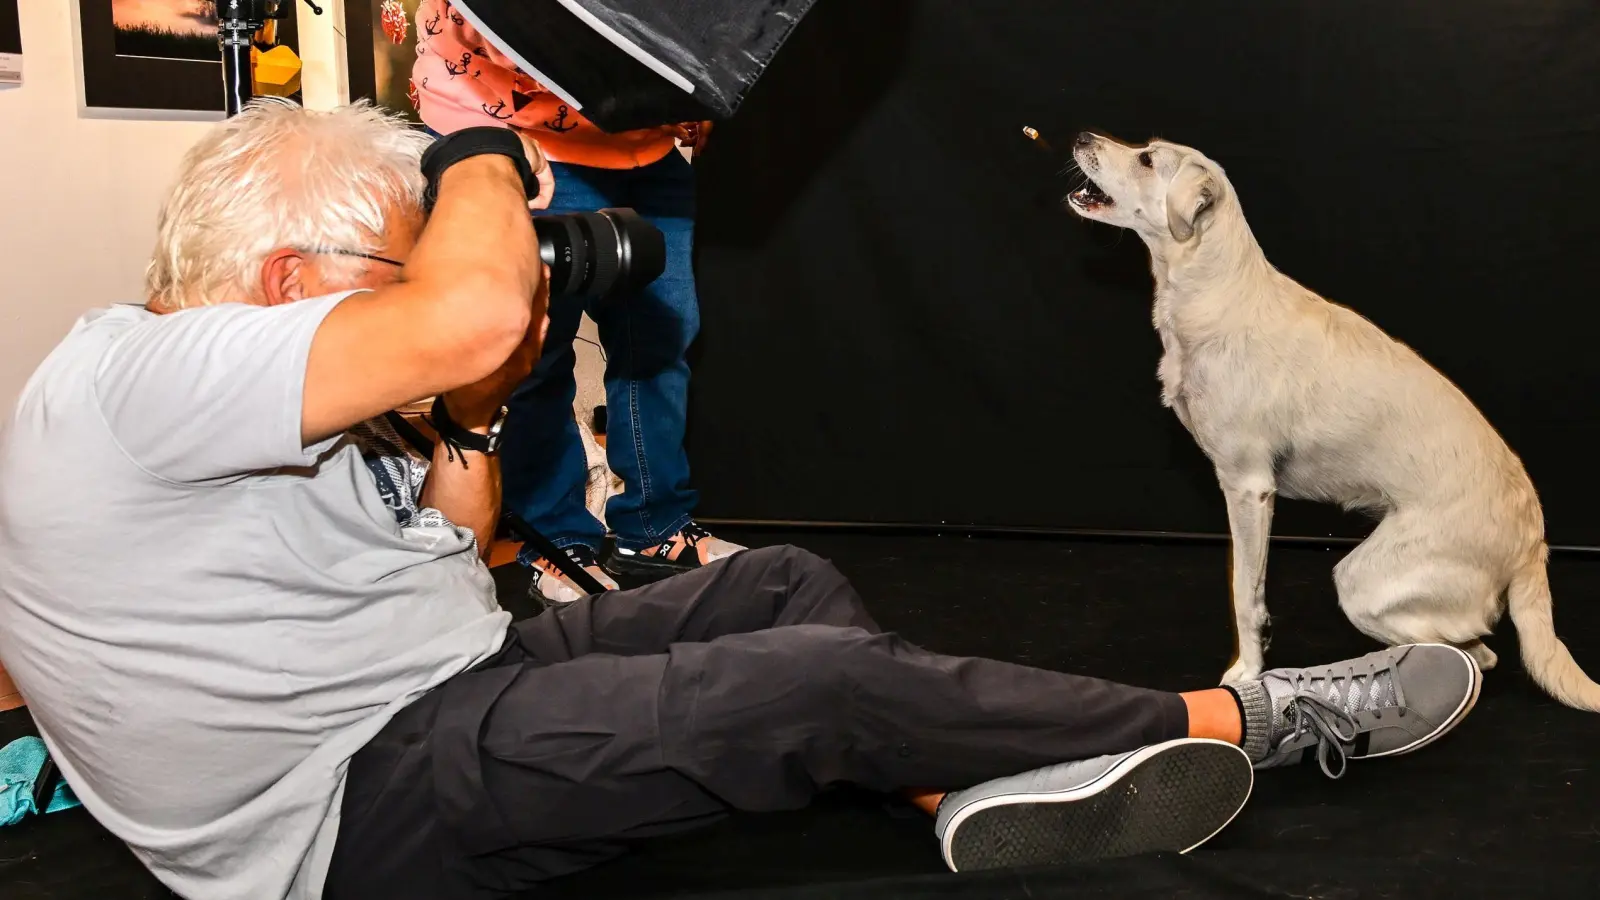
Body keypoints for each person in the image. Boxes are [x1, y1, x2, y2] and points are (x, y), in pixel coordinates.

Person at [0, 103, 1481, 900]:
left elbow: (446, 545)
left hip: (436, 684)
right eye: (403, 265)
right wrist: (474, 145)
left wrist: (465, 408)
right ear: (286, 280)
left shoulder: (263, 391)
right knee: (811, 687)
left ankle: (947, 785)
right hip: (343, 813)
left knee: (781, 588)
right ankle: (1255, 719)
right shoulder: (130, 375)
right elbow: (466, 317)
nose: (437, 298)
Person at [410, 0, 744, 605]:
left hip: (646, 145)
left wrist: (694, 85)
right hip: (515, 136)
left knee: (662, 341)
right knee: (535, 354)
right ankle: (558, 541)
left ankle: (656, 529)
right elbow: (521, 28)